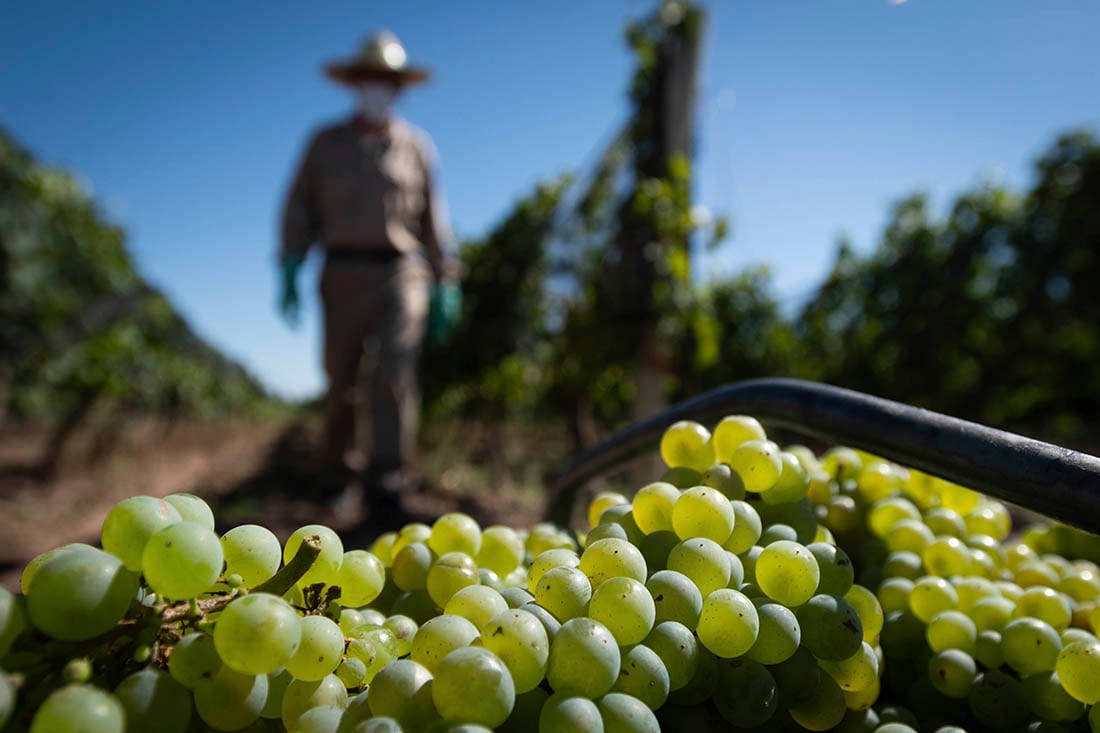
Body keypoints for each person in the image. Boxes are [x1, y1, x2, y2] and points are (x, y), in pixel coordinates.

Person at [278, 31, 459, 514]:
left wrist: (445, 280)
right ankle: (338, 474)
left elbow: (433, 221)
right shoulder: (324, 143)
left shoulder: (417, 148)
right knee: (343, 378)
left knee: (394, 372)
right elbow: (298, 207)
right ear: (354, 83)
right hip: (340, 272)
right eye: (369, 79)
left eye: (387, 81)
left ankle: (389, 480)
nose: (377, 88)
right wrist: (290, 263)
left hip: (401, 271)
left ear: (399, 89)